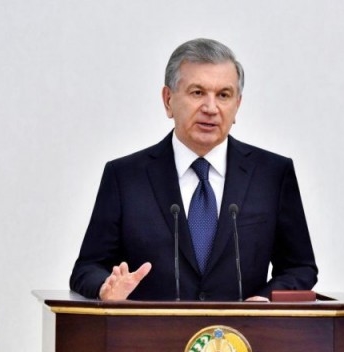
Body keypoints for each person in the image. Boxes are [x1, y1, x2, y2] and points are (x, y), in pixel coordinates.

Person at [70, 38, 317, 301]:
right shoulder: (125, 177)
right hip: (150, 328)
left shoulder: (272, 175)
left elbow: (300, 268)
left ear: (237, 105)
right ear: (168, 100)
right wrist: (106, 287)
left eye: (223, 95)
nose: (210, 108)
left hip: (244, 327)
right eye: (197, 93)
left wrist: (264, 302)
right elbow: (87, 268)